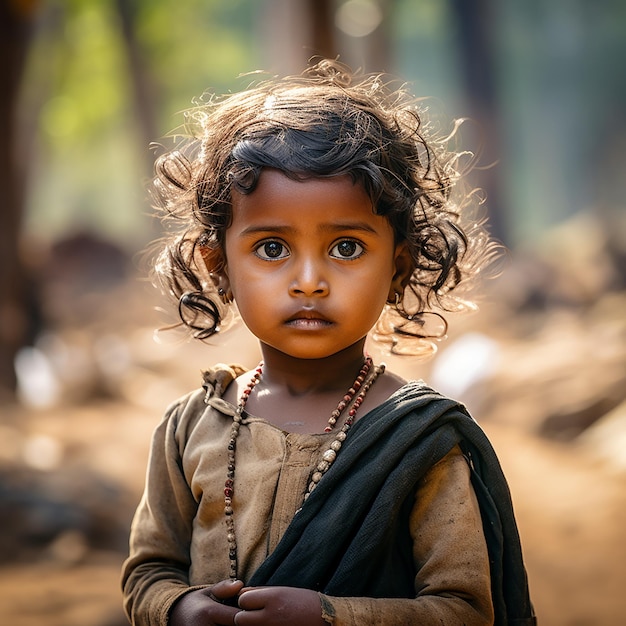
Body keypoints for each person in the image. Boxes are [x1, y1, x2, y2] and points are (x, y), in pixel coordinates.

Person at [121, 59, 535, 626]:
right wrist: (180, 607)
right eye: (271, 248)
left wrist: (332, 617)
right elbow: (148, 572)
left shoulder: (419, 443)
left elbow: (465, 609)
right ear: (219, 267)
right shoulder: (190, 427)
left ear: (398, 266)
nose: (309, 279)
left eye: (346, 248)